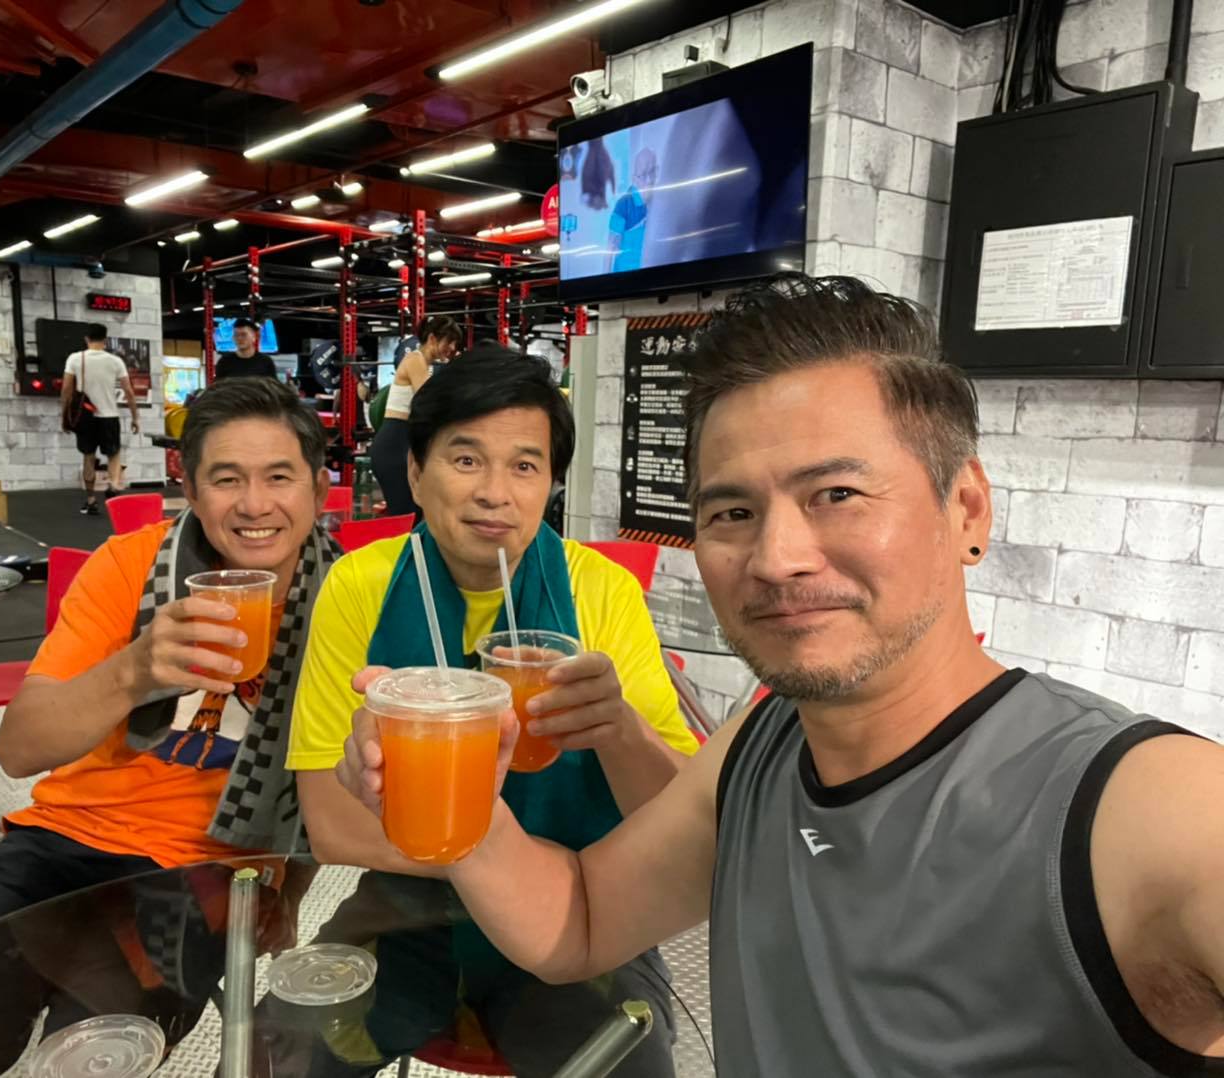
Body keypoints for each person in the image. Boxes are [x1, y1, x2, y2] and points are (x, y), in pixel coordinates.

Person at [336, 274, 1224, 1076]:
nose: (776, 557)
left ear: (965, 508)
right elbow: (582, 919)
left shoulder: (1147, 810)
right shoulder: (757, 751)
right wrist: (459, 802)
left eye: (836, 494)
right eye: (732, 511)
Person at [0, 378, 339, 1077]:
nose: (254, 504)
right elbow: (19, 750)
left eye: (279, 477)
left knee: (89, 1061)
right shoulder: (129, 567)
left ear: (318, 488)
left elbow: (325, 782)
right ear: (190, 491)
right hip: (60, 841)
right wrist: (134, 671)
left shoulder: (346, 599)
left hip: (205, 873)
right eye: (227, 479)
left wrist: (294, 888)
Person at [288, 342, 700, 1076]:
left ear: (551, 485)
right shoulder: (360, 585)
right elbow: (331, 825)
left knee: (626, 1061)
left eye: (525, 466)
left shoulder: (600, 591)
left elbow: (677, 822)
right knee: (281, 1049)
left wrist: (620, 732)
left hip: (578, 904)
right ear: (416, 472)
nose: (495, 493)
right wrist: (501, 863)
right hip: (406, 909)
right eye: (466, 459)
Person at [370, 315, 462, 518]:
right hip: (393, 446)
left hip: (404, 442)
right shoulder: (415, 360)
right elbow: (429, 402)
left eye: (455, 343)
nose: (452, 347)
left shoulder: (424, 366)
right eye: (449, 341)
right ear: (432, 338)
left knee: (417, 513)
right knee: (406, 516)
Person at [61, 324, 139, 515]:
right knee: (114, 455)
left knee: (88, 457)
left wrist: (65, 415)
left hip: (85, 418)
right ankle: (112, 486)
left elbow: (66, 389)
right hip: (109, 416)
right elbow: (128, 391)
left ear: (86, 339)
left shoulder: (75, 358)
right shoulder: (115, 361)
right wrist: (135, 417)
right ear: (105, 340)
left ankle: (91, 500)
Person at [608, 147, 657, 273]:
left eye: (652, 172)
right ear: (635, 179)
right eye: (643, 175)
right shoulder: (623, 204)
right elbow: (610, 249)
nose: (649, 180)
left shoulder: (661, 200)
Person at [213, 317, 279, 383]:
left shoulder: (265, 362)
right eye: (236, 335)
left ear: (254, 336)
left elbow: (273, 386)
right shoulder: (224, 362)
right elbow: (217, 386)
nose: (239, 338)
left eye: (243, 334)